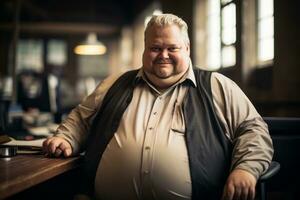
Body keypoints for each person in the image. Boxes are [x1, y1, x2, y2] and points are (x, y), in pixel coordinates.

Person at [43, 14, 273, 200]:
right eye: (155, 48)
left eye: (172, 48)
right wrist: (66, 138)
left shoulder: (217, 86)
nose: (163, 55)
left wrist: (246, 169)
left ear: (187, 48)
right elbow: (81, 119)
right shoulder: (115, 83)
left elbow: (253, 130)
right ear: (145, 48)